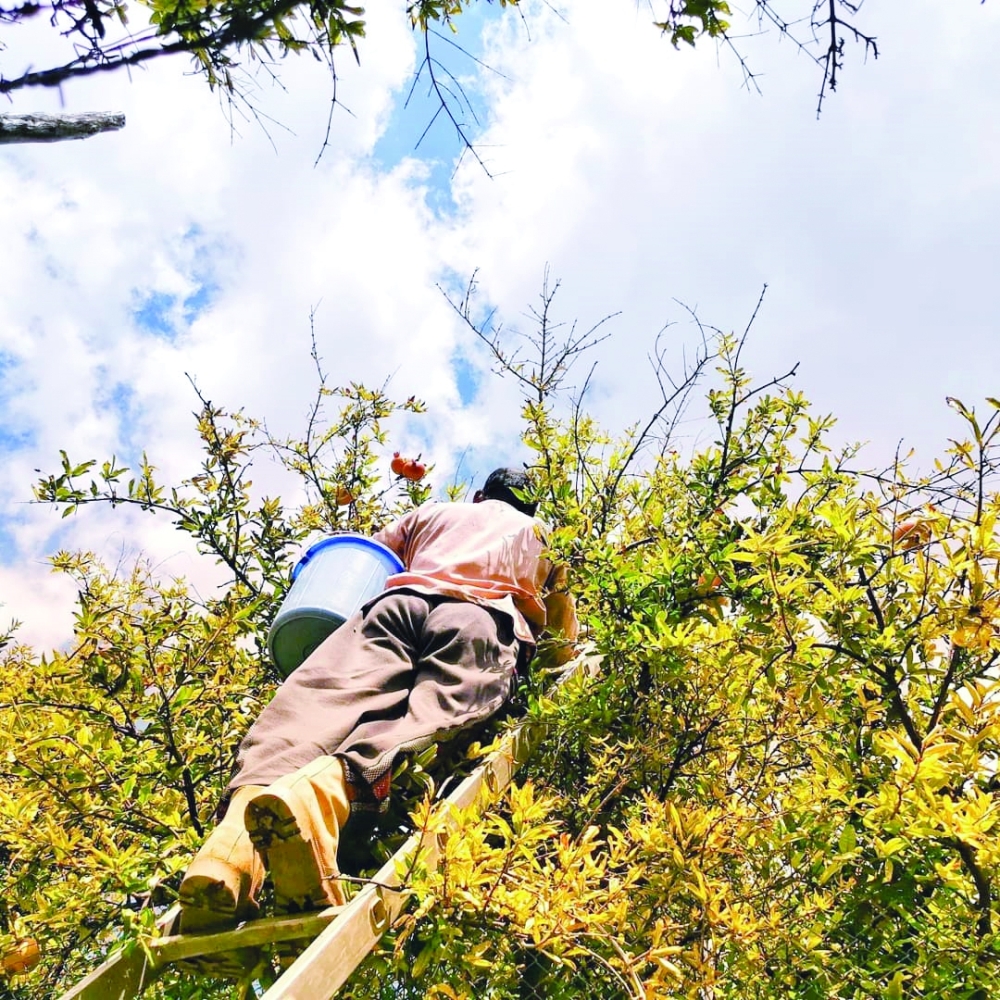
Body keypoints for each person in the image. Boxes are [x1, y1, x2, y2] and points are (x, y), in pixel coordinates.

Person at [177, 468, 578, 956]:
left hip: (393, 608)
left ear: (479, 495)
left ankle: (230, 854)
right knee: (429, 722)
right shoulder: (543, 537)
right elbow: (559, 640)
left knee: (310, 710)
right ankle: (318, 800)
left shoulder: (435, 513)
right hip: (477, 619)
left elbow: (364, 559)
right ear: (531, 507)